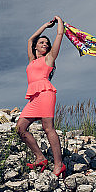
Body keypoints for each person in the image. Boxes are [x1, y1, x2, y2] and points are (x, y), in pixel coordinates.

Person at [16, 15, 66, 177]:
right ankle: (40, 157)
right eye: (42, 42)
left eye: (46, 43)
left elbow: (59, 36)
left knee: (48, 128)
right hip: (33, 98)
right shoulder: (31, 60)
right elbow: (30, 40)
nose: (44, 44)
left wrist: (60, 23)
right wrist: (45, 25)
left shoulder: (49, 58)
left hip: (45, 94)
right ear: (37, 46)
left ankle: (59, 165)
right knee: (20, 128)